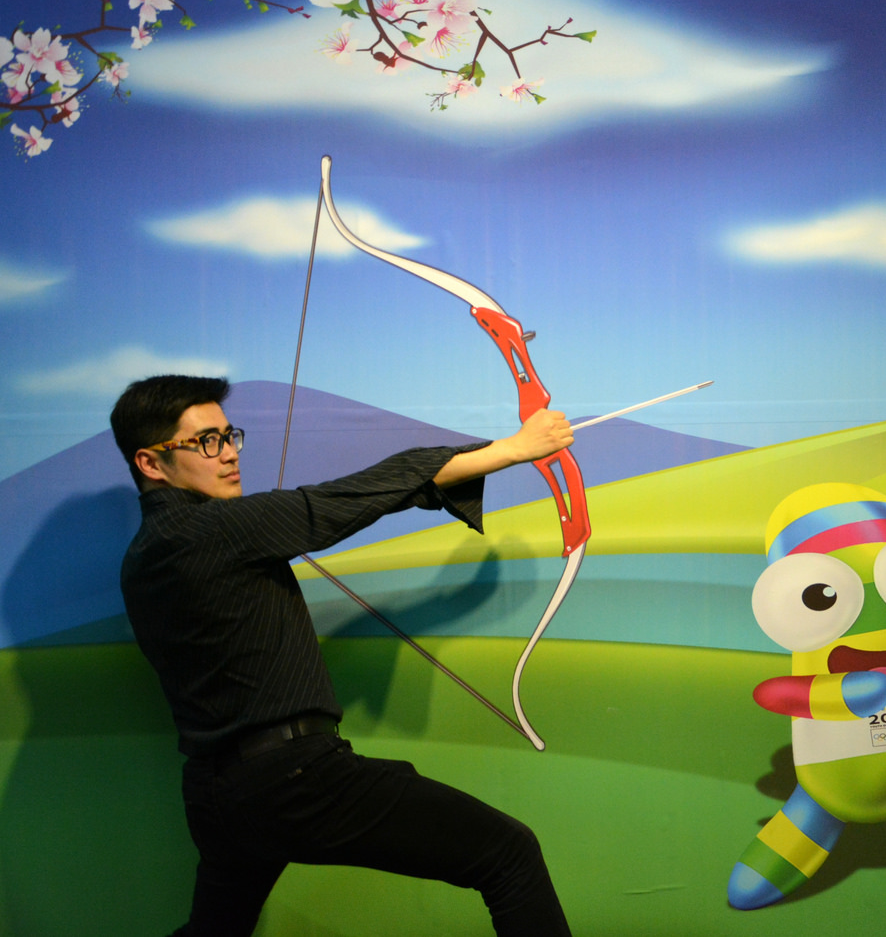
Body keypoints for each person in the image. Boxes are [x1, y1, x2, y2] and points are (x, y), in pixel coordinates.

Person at [109, 374, 575, 937]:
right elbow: (340, 501)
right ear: (151, 463)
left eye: (229, 436)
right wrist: (513, 449)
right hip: (294, 782)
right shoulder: (208, 531)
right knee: (508, 853)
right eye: (206, 442)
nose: (229, 454)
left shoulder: (145, 555)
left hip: (219, 796)